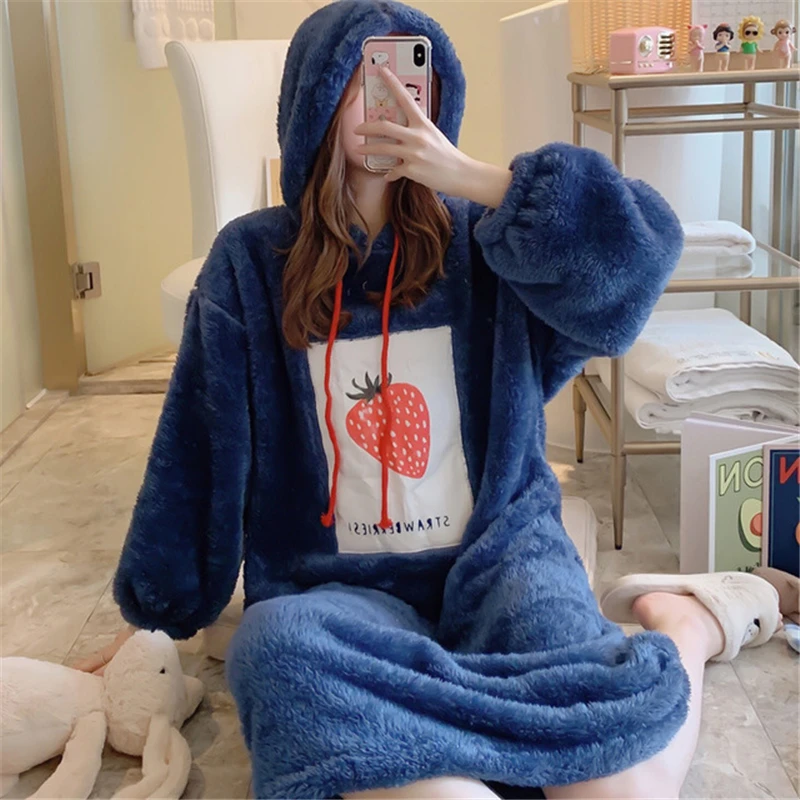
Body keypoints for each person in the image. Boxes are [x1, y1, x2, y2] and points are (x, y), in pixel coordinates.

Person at [78, 2, 781, 798]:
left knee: (620, 791)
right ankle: (510, 736)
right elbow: (199, 448)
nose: (387, 100)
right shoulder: (250, 259)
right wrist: (157, 612)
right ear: (313, 100)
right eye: (358, 80)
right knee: (273, 649)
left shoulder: (489, 236)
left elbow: (640, 257)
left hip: (503, 563)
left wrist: (474, 178)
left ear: (436, 95)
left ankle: (686, 624)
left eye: (406, 76)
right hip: (333, 591)